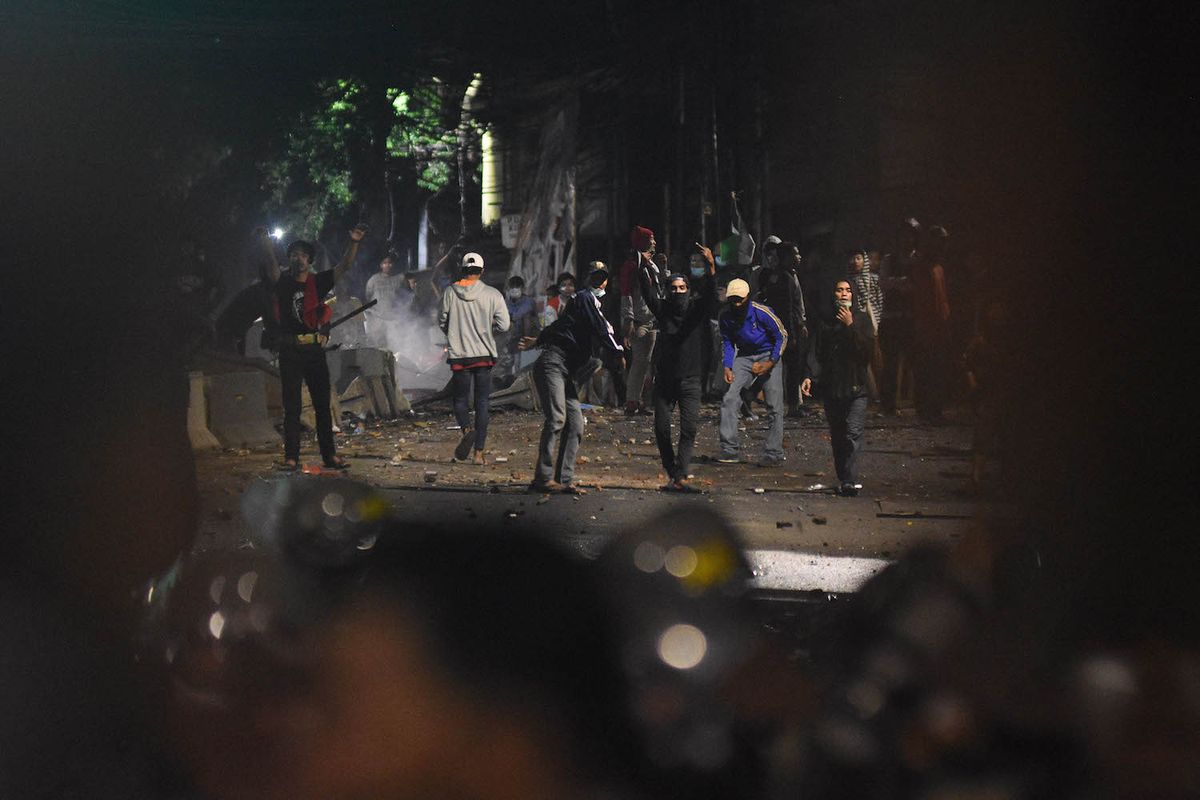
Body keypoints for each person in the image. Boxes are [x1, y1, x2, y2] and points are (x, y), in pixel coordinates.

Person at [261, 223, 366, 471]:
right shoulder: (283, 282)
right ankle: (291, 457)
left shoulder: (317, 283)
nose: (299, 258)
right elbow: (271, 266)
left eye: (303, 255)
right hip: (290, 351)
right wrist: (265, 241)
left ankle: (329, 456)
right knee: (292, 407)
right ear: (289, 259)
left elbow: (344, 266)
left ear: (309, 260)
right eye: (294, 254)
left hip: (313, 350)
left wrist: (354, 242)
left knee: (322, 405)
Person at [519, 268, 624, 494]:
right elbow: (601, 329)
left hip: (564, 370)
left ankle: (563, 480)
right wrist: (618, 352)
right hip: (553, 364)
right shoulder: (586, 299)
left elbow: (558, 326)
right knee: (557, 419)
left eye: (602, 278)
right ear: (588, 281)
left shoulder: (581, 306)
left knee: (575, 424)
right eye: (595, 277)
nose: (600, 283)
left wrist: (539, 339)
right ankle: (543, 479)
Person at [639, 244, 718, 492]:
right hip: (665, 381)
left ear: (688, 290)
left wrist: (711, 266)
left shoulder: (695, 311)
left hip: (691, 380)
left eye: (682, 288)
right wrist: (643, 265)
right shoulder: (663, 311)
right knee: (661, 428)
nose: (678, 292)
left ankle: (681, 475)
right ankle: (672, 470)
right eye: (673, 289)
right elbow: (647, 292)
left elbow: (709, 295)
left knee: (689, 428)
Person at [801, 280, 875, 496]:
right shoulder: (826, 321)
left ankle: (850, 480)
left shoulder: (861, 319)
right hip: (833, 387)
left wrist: (851, 325)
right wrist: (808, 376)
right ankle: (844, 476)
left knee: (853, 432)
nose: (844, 294)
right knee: (839, 434)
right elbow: (816, 352)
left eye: (847, 290)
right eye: (839, 290)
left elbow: (866, 353)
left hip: (856, 387)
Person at [439, 252, 511, 464]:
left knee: (460, 399)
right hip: (484, 355)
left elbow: (442, 320)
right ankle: (478, 454)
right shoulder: (493, 294)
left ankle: (467, 429)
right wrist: (490, 332)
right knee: (482, 402)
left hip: (460, 355)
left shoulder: (450, 292)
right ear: (482, 271)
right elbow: (505, 325)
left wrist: (454, 333)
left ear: (463, 269)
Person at [716, 278, 789, 466]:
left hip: (768, 354)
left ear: (747, 297)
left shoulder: (762, 312)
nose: (737, 304)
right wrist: (727, 366)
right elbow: (727, 342)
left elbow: (781, 336)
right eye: (733, 300)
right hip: (744, 356)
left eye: (740, 299)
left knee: (774, 405)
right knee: (730, 398)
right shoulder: (725, 316)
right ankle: (729, 449)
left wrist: (770, 363)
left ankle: (774, 452)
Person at [756, 240, 809, 417]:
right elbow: (786, 308)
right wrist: (792, 334)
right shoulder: (784, 278)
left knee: (779, 367)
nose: (799, 257)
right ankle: (791, 406)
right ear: (785, 258)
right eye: (795, 254)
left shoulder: (783, 275)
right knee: (789, 368)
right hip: (785, 329)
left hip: (781, 328)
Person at [877, 218, 921, 414]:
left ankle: (919, 403)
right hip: (891, 317)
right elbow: (883, 283)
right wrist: (901, 283)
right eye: (904, 235)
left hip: (912, 317)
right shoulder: (889, 259)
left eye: (910, 235)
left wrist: (903, 285)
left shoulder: (918, 259)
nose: (907, 239)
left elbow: (919, 286)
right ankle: (889, 405)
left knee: (916, 362)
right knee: (891, 365)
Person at [911, 224, 953, 424]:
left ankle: (934, 410)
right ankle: (925, 410)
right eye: (941, 241)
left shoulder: (939, 266)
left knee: (937, 368)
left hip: (939, 326)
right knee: (927, 368)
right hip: (927, 326)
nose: (944, 245)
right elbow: (924, 299)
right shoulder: (924, 266)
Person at [620, 226, 661, 415]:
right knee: (639, 363)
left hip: (652, 320)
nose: (653, 242)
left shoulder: (652, 265)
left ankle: (643, 401)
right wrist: (628, 320)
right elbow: (626, 294)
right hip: (639, 321)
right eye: (650, 239)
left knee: (648, 363)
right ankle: (632, 401)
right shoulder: (631, 266)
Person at [848, 247, 884, 402]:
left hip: (872, 322)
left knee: (877, 359)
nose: (855, 262)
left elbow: (878, 302)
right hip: (856, 322)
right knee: (862, 359)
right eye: (853, 258)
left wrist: (878, 322)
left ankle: (880, 394)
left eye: (858, 258)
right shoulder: (848, 281)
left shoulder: (873, 279)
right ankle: (870, 393)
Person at [363, 253, 412, 346]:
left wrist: (402, 313)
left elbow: (407, 297)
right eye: (385, 263)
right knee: (379, 346)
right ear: (381, 265)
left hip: (394, 320)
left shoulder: (400, 278)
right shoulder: (373, 280)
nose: (387, 265)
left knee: (396, 346)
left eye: (390, 263)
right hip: (378, 320)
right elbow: (368, 297)